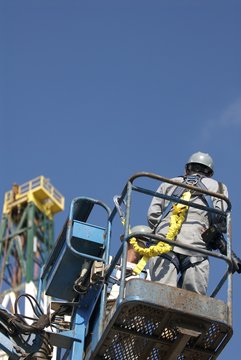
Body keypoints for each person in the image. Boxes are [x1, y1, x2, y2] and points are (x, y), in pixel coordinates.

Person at [147, 151, 229, 295]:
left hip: (163, 245)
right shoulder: (219, 188)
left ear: (187, 169)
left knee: (161, 297)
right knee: (192, 303)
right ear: (209, 173)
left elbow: (153, 216)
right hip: (196, 248)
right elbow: (220, 220)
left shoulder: (169, 183)